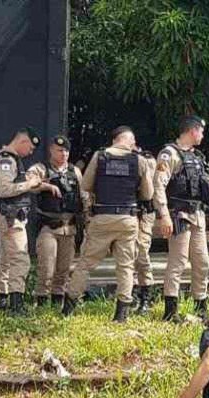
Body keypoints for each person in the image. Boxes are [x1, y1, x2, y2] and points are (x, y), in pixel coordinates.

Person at [62, 126, 154, 322]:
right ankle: (121, 314)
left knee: (85, 263)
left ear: (114, 140)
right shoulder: (139, 160)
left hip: (102, 217)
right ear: (129, 141)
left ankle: (68, 307)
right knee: (126, 266)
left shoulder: (100, 156)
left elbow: (85, 185)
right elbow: (148, 194)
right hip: (128, 219)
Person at [0, 128, 60, 316]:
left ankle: (2, 299)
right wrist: (28, 184)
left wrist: (41, 185)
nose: (30, 153)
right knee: (21, 259)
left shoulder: (13, 160)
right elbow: (4, 190)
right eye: (30, 148)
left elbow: (17, 185)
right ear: (22, 141)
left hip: (10, 215)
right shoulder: (6, 160)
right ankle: (16, 305)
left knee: (6, 258)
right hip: (10, 216)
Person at [155, 116, 209, 322]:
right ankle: (170, 311)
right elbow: (159, 186)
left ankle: (201, 306)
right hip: (178, 214)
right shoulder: (169, 154)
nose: (203, 135)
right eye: (201, 131)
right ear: (192, 131)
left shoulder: (197, 156)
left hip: (197, 215)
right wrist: (163, 215)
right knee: (178, 261)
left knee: (202, 261)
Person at [28, 136, 84, 309]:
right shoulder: (41, 169)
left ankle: (57, 302)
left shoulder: (75, 171)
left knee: (64, 269)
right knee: (46, 268)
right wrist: (47, 186)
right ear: (51, 150)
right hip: (49, 227)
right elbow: (29, 184)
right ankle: (41, 301)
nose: (64, 154)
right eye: (60, 150)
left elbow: (83, 195)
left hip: (70, 227)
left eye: (66, 150)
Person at [133, 148, 158, 315]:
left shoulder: (149, 160)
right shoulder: (126, 162)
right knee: (127, 255)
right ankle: (130, 295)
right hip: (127, 213)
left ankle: (145, 298)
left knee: (141, 252)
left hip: (145, 213)